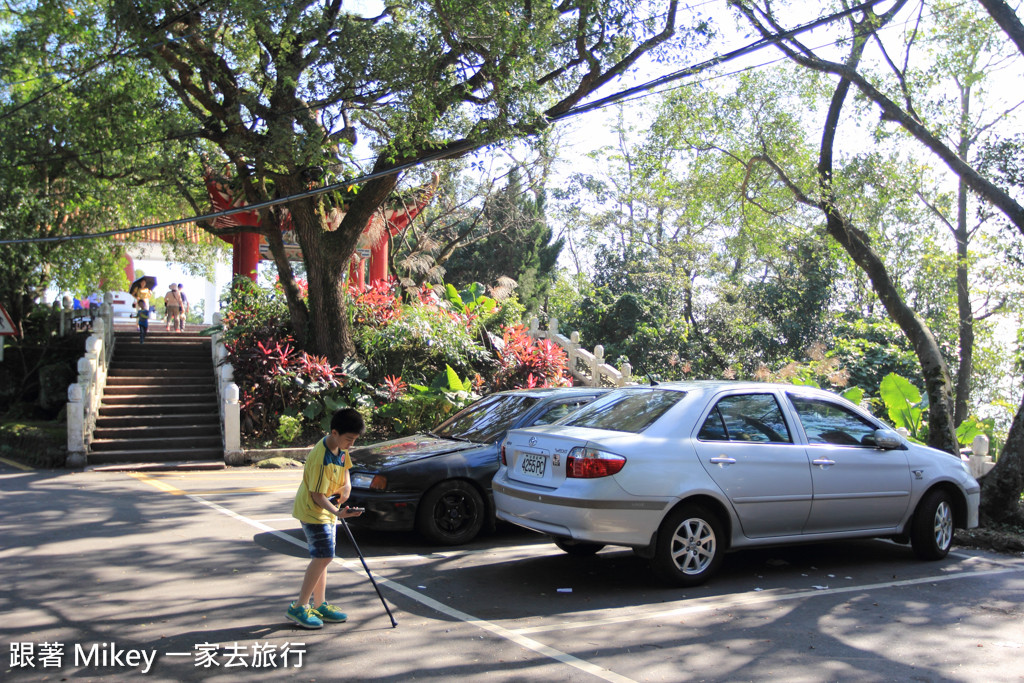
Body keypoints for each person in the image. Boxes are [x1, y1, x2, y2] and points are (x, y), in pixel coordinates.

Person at [287, 408, 366, 629]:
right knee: (323, 556)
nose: (351, 444)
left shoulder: (341, 448)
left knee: (325, 557)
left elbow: (346, 468)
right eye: (349, 439)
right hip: (313, 511)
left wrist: (347, 486)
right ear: (334, 432)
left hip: (328, 509)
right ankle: (299, 607)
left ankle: (320, 604)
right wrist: (338, 513)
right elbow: (316, 495)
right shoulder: (320, 457)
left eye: (354, 440)